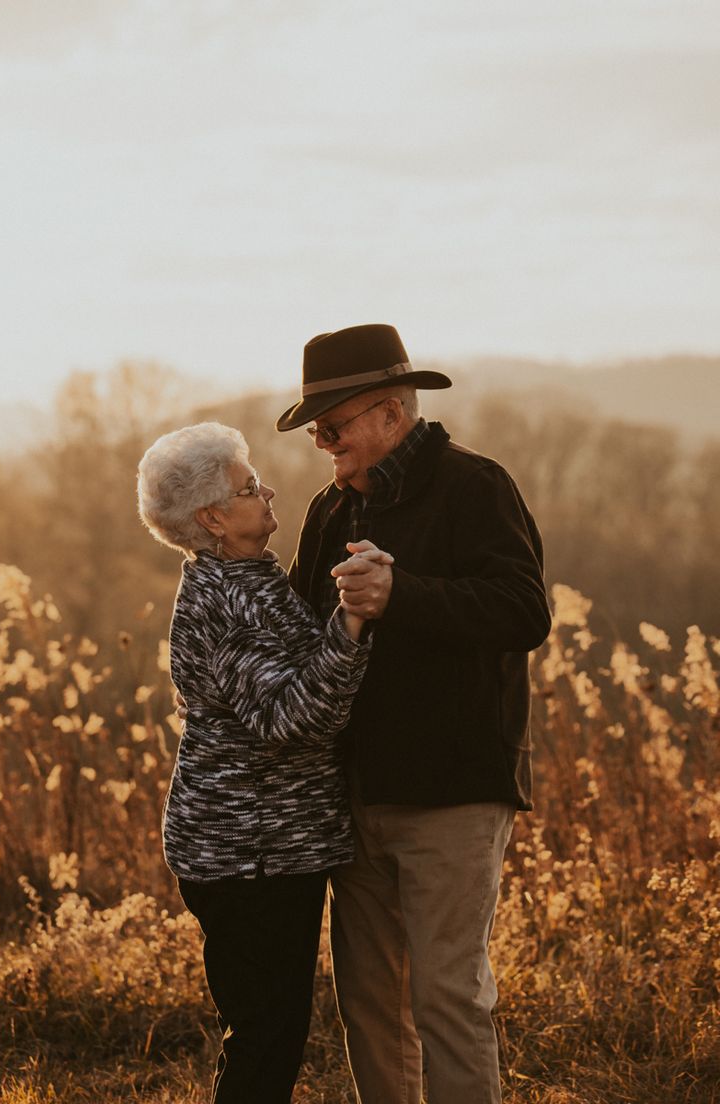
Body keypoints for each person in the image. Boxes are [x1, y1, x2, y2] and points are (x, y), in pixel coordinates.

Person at [276, 324, 552, 1104]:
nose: (321, 439)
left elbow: (524, 611)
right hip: (354, 797)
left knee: (446, 998)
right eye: (315, 426)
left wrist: (404, 597)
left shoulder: (475, 486)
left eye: (334, 422)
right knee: (369, 1007)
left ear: (393, 413)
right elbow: (303, 633)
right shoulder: (329, 511)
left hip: (455, 790)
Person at [136, 421, 391, 1104]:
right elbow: (292, 719)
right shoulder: (227, 599)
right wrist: (354, 624)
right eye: (249, 488)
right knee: (265, 1037)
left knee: (267, 1031)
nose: (268, 490)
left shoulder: (245, 575)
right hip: (249, 851)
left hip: (265, 843)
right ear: (213, 518)